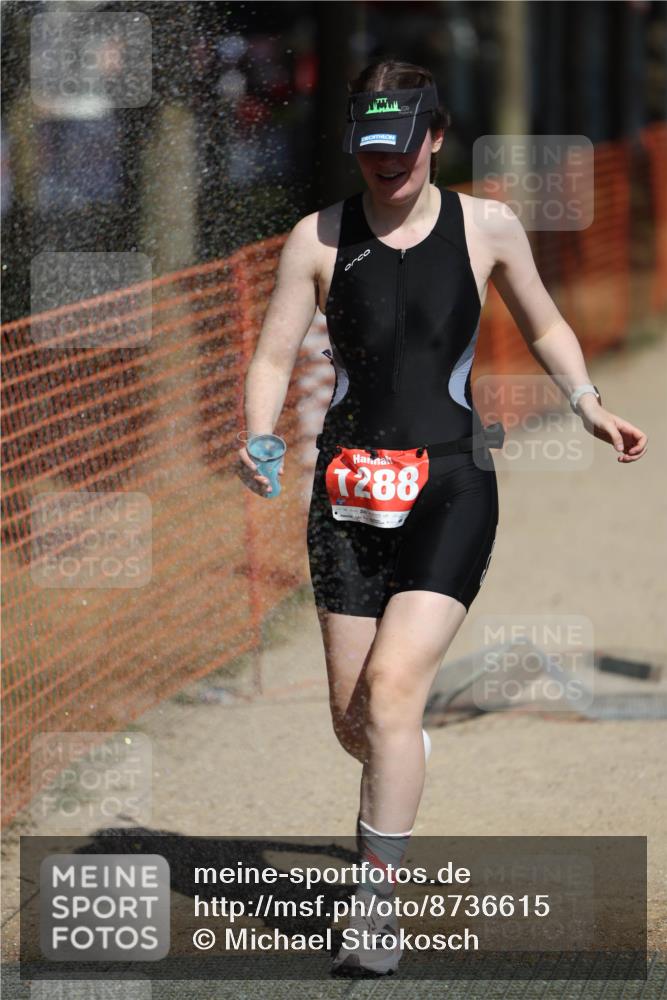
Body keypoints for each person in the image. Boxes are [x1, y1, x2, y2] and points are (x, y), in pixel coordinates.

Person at [237, 59, 648, 977]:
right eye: (370, 151)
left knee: (388, 691)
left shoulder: (487, 225)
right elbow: (272, 356)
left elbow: (542, 322)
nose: (386, 166)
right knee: (357, 719)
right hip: (344, 496)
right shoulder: (316, 237)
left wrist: (583, 401)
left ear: (435, 135)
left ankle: (373, 916)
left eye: (402, 148)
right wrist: (259, 436)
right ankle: (397, 747)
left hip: (451, 485)